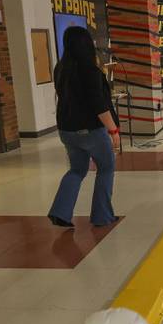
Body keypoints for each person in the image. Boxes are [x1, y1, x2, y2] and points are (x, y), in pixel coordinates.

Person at [48, 26, 120, 228]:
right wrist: (113, 130)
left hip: (67, 130)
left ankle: (60, 212)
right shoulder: (90, 70)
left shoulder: (61, 69)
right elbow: (99, 105)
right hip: (90, 131)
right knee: (106, 168)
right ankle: (102, 216)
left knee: (77, 170)